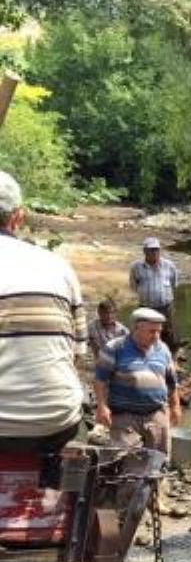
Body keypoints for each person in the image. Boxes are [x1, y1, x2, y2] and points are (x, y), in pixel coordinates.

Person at [0, 170, 88, 453]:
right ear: (18, 216)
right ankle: (69, 495)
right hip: (55, 421)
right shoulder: (59, 267)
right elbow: (75, 356)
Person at [93, 308, 181, 456]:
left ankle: (155, 479)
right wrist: (102, 406)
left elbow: (172, 382)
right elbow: (100, 380)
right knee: (125, 461)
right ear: (135, 328)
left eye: (159, 331)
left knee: (159, 460)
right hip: (123, 416)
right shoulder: (114, 348)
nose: (156, 336)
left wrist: (176, 406)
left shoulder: (163, 349)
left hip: (156, 413)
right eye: (151, 331)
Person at [129, 236, 182, 354]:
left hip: (166, 306)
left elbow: (174, 285)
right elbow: (134, 286)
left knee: (171, 334)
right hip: (145, 306)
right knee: (145, 333)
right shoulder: (136, 267)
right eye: (151, 250)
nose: (154, 252)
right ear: (144, 251)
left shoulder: (169, 265)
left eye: (156, 249)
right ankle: (146, 355)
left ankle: (173, 360)